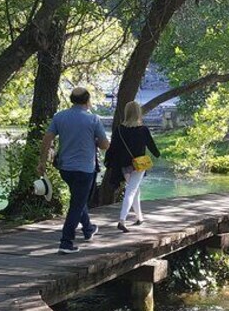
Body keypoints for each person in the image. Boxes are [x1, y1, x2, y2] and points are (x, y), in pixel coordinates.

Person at [37, 87, 109, 254]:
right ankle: (66, 242)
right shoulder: (93, 119)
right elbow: (105, 145)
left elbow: (47, 138)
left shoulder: (59, 117)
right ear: (87, 100)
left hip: (65, 168)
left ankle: (88, 229)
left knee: (78, 198)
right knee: (76, 204)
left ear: (71, 100)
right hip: (85, 169)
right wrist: (95, 141)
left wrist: (42, 162)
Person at [105, 101, 160, 233]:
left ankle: (139, 217)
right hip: (138, 165)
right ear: (138, 113)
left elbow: (112, 148)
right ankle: (122, 220)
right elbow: (152, 147)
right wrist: (157, 154)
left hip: (124, 166)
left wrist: (108, 161)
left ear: (126, 113)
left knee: (134, 189)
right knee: (131, 191)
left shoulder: (119, 130)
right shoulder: (143, 130)